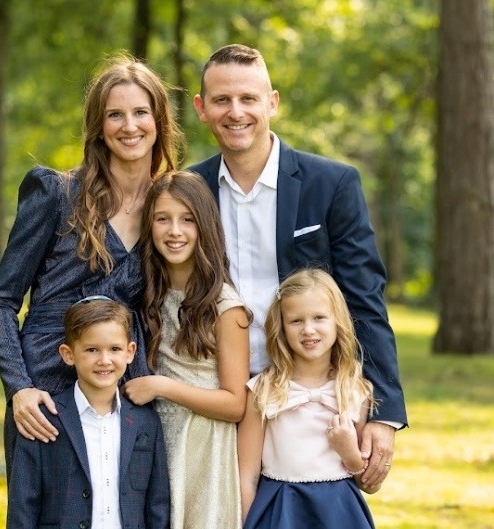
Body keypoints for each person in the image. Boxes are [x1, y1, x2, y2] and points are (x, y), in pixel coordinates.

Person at [189, 43, 407, 489]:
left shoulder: (332, 184)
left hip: (307, 396)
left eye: (249, 98)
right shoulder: (189, 189)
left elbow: (364, 298)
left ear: (272, 102)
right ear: (201, 108)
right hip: (215, 391)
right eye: (222, 100)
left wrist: (384, 412)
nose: (236, 112)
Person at [0, 55, 183, 480]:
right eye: (115, 114)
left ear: (159, 121)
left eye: (140, 112)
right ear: (99, 124)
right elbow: (1, 300)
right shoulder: (57, 194)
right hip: (46, 385)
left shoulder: (169, 209)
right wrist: (19, 388)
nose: (129, 126)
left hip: (126, 380)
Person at [122, 170, 250, 529]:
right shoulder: (149, 294)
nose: (174, 231)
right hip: (156, 440)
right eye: (163, 219)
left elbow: (236, 403)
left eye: (187, 220)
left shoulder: (226, 307)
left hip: (203, 446)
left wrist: (161, 387)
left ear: (204, 227)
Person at [7, 296, 170, 529]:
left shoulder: (146, 421)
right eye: (92, 350)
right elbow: (23, 507)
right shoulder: (42, 419)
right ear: (68, 354)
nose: (104, 360)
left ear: (130, 351)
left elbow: (158, 506)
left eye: (114, 349)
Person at [238, 269, 379, 528]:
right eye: (296, 321)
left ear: (337, 321)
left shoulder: (355, 391)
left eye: (319, 318)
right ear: (281, 326)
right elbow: (246, 476)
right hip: (281, 510)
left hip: (339, 512)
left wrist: (349, 453)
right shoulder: (263, 390)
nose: (308, 329)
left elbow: (368, 485)